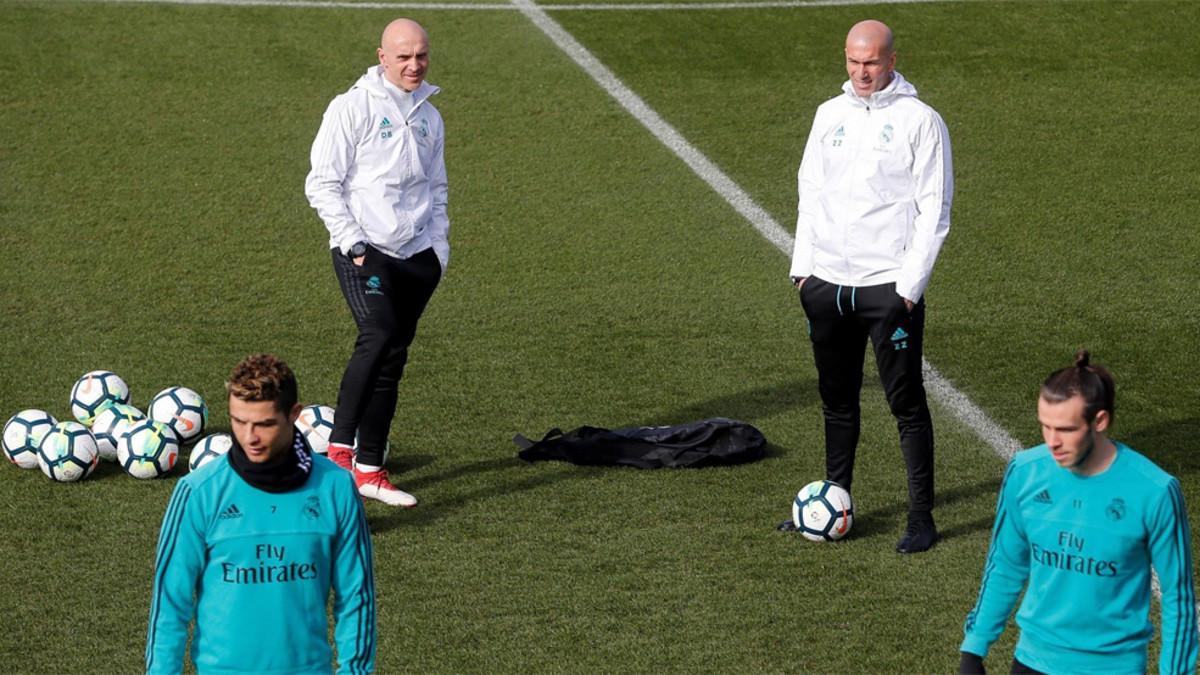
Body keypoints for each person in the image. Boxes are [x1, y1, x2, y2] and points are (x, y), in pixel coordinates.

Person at [784, 19, 953, 553]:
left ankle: (921, 517)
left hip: (887, 289)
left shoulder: (921, 121)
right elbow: (810, 191)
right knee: (837, 400)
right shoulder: (827, 115)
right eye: (854, 62)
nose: (862, 72)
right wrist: (803, 270)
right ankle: (837, 498)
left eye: (872, 62)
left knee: (906, 404)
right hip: (827, 284)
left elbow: (935, 209)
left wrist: (908, 287)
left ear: (892, 61)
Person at [959, 350, 1198, 674]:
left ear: (1099, 421)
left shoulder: (1155, 491)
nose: (1052, 442)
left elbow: (1178, 598)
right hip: (1032, 663)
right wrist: (973, 649)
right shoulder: (1025, 472)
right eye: (1045, 427)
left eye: (1066, 429)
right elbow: (1006, 563)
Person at [145, 354, 376, 674]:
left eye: (264, 424)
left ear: (294, 414)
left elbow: (356, 598)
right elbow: (170, 605)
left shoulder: (335, 488)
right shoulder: (199, 492)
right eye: (239, 421)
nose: (249, 437)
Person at [305, 17, 448, 507]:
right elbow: (321, 183)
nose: (414, 65)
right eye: (404, 56)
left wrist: (439, 252)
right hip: (364, 250)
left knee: (393, 359)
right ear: (382, 56)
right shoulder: (352, 108)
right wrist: (353, 243)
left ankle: (370, 470)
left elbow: (438, 188)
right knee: (379, 334)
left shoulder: (431, 117)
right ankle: (340, 451)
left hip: (417, 258)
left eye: (421, 55)